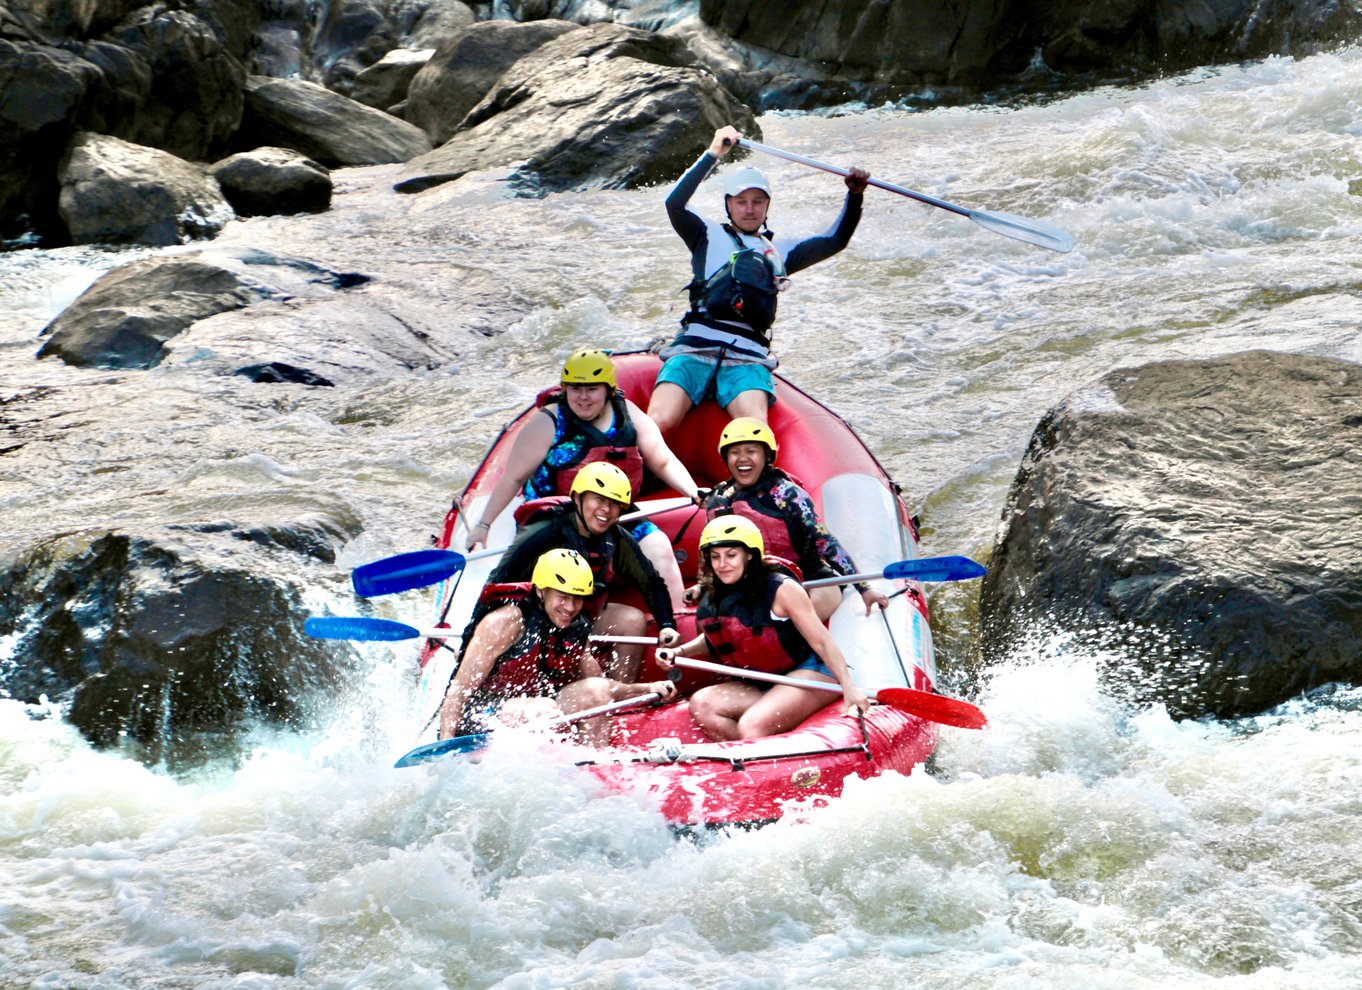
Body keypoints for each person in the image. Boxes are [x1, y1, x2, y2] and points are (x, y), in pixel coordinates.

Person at [648, 124, 871, 433]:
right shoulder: (706, 234)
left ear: (768, 206)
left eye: (758, 201)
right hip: (694, 347)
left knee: (754, 432)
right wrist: (713, 153)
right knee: (660, 421)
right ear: (728, 204)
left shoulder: (779, 251)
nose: (749, 209)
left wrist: (854, 196)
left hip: (747, 356)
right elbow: (674, 204)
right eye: (741, 201)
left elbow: (835, 240)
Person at [466, 348, 698, 609]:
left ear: (608, 390)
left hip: (612, 509)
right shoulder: (548, 422)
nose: (584, 398)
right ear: (565, 389)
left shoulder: (627, 414)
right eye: (576, 389)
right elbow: (512, 479)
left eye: (592, 389)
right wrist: (483, 526)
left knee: (659, 547)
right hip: (557, 516)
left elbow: (662, 459)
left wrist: (693, 491)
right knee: (570, 573)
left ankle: (677, 620)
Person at [655, 516, 871, 741]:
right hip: (763, 681)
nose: (722, 564)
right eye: (715, 557)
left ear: (749, 554)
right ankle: (748, 763)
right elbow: (719, 638)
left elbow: (822, 641)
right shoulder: (715, 595)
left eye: (731, 555)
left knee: (751, 725)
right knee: (702, 704)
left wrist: (849, 687)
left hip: (810, 672)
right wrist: (679, 652)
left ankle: (762, 760)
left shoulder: (782, 589)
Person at [437, 548, 676, 744]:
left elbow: (599, 685)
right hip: (481, 714)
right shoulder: (505, 621)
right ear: (541, 590)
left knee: (594, 691)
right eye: (562, 596)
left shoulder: (575, 626)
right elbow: (460, 689)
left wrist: (646, 689)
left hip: (539, 704)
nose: (571, 607)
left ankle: (594, 767)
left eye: (577, 597)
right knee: (544, 708)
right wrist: (445, 741)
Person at [485, 460, 681, 682]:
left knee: (633, 619)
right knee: (571, 633)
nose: (606, 511)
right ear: (578, 498)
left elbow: (651, 581)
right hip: (542, 615)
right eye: (598, 499)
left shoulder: (616, 538)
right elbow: (497, 584)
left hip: (583, 612)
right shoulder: (542, 534)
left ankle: (620, 695)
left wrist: (667, 624)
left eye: (614, 504)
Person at [701, 417, 888, 622]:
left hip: (810, 578)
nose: (743, 458)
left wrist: (864, 588)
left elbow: (824, 541)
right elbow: (712, 553)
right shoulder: (719, 501)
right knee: (711, 616)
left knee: (804, 616)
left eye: (751, 451)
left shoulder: (788, 495)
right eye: (735, 452)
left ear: (766, 456)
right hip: (755, 581)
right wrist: (702, 585)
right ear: (726, 458)